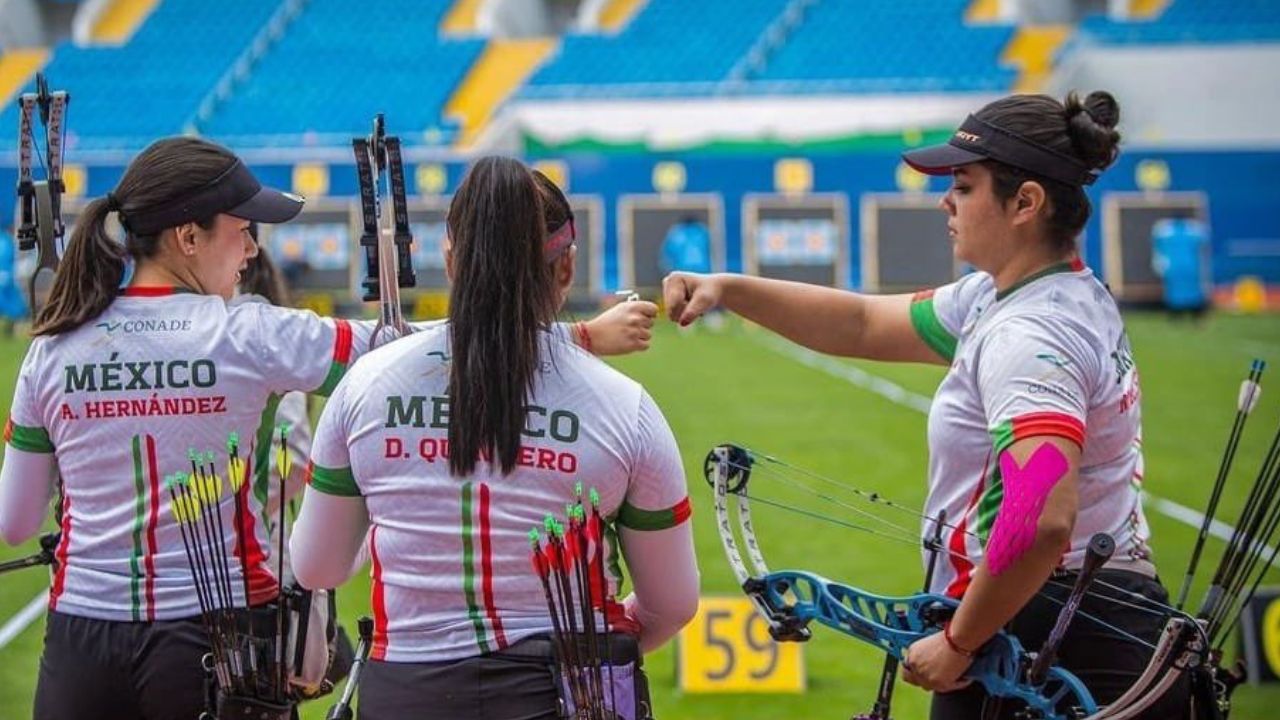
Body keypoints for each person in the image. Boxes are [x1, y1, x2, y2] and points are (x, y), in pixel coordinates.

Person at [0, 138, 656, 720]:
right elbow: (401, 350)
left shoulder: (53, 348)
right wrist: (578, 338)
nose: (253, 249)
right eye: (241, 230)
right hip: (217, 640)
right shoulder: (248, 331)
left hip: (80, 643)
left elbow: (16, 521)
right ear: (187, 237)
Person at [664, 92, 1187, 718]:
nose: (946, 200)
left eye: (964, 186)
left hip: (1046, 636)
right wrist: (728, 288)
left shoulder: (1031, 334)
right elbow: (860, 323)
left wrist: (962, 641)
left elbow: (1044, 513)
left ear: (1026, 202)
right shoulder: (1013, 298)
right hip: (1061, 618)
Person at [289, 156, 700, 720]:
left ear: (452, 260)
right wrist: (594, 649)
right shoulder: (626, 408)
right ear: (566, 269)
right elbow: (672, 604)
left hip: (404, 694)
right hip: (570, 693)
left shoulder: (364, 386)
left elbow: (316, 568)